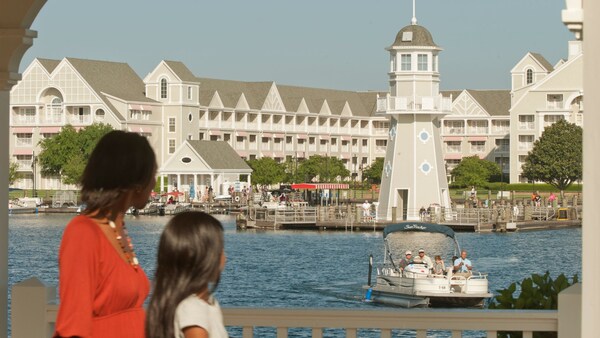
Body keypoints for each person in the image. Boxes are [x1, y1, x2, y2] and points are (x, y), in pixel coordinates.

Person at [54, 131, 157, 338]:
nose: (154, 183)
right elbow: (73, 327)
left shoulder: (117, 229)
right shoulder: (83, 233)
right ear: (136, 181)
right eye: (153, 174)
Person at [146, 211, 228, 338]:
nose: (225, 257)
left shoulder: (201, 303)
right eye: (220, 249)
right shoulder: (193, 309)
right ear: (204, 258)